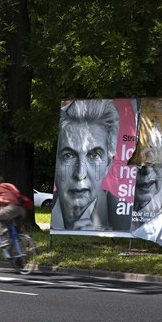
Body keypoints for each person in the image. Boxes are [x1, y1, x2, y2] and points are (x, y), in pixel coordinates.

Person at [51, 99, 120, 230]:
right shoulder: (49, 205)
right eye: (68, 155)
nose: (80, 174)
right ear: (56, 161)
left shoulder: (123, 220)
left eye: (94, 155)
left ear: (108, 164)